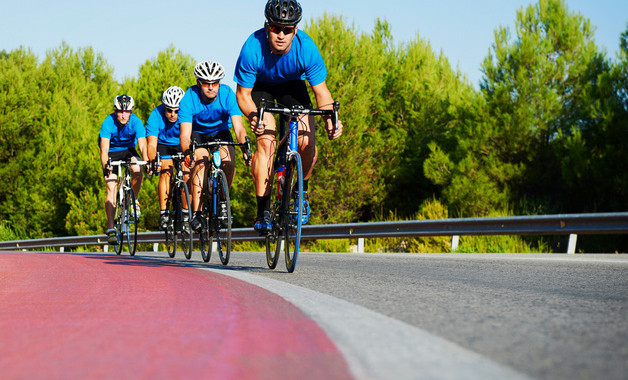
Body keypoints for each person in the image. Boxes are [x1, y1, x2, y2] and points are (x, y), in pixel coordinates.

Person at [234, 0, 343, 233]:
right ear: (267, 27)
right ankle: (262, 210)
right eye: (276, 28)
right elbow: (242, 95)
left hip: (292, 87)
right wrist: (254, 115)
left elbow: (321, 93)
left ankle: (301, 193)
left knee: (306, 140)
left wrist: (330, 121)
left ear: (295, 30)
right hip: (261, 88)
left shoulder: (306, 48)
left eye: (288, 30)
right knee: (266, 140)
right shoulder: (252, 47)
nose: (281, 35)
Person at [179, 61, 251, 231]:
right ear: (199, 83)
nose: (211, 87)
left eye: (215, 83)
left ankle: (224, 201)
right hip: (198, 134)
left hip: (221, 132)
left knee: (228, 160)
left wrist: (245, 148)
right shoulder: (189, 97)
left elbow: (239, 128)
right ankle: (197, 213)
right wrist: (188, 152)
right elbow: (184, 135)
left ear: (219, 83)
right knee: (201, 162)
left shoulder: (227, 94)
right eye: (206, 83)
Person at [99, 94, 150, 244]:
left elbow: (142, 144)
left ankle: (134, 198)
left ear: (131, 111)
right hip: (112, 152)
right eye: (120, 111)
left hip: (128, 150)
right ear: (115, 111)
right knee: (111, 186)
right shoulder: (108, 122)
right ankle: (110, 230)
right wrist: (105, 166)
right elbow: (104, 149)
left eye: (127, 111)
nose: (123, 115)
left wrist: (146, 161)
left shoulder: (136, 122)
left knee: (137, 168)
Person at [146, 86, 188, 230]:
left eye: (176, 111)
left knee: (187, 171)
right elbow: (151, 144)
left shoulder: (187, 112)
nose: (172, 114)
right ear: (164, 107)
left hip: (182, 143)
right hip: (163, 145)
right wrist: (153, 160)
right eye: (169, 110)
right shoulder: (155, 115)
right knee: (166, 169)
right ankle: (164, 213)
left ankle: (186, 212)